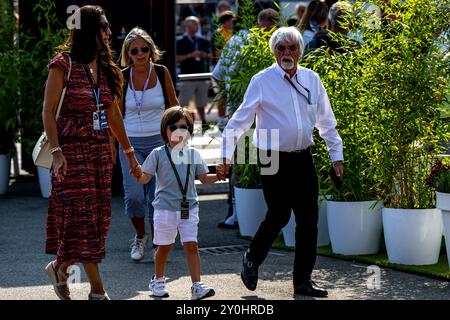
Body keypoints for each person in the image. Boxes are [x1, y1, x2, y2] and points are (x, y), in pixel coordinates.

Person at [218, 27, 344, 297]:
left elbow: (327, 122)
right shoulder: (261, 80)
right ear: (274, 51)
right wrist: (225, 156)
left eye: (292, 48)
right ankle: (252, 257)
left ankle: (302, 282)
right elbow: (240, 120)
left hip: (302, 156)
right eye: (281, 48)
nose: (287, 53)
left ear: (300, 50)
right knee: (278, 215)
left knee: (309, 220)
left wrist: (337, 156)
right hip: (271, 155)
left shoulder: (312, 79)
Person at [42, 5, 142, 300]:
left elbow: (113, 115)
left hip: (99, 154)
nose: (110, 33)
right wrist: (57, 152)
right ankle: (98, 291)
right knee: (82, 221)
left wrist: (128, 151)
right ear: (88, 31)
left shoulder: (107, 68)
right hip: (71, 155)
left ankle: (60, 267)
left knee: (96, 223)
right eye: (104, 27)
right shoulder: (63, 65)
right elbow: (48, 112)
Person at [134, 106, 223, 300]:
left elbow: (204, 178)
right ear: (164, 130)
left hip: (189, 207)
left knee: (191, 245)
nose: (178, 131)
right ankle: (158, 280)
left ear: (189, 131)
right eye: (172, 127)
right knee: (164, 247)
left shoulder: (194, 154)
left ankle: (197, 285)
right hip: (164, 209)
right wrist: (137, 171)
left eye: (183, 127)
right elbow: (144, 179)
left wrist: (218, 176)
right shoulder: (157, 153)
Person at [116, 27, 179, 262]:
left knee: (156, 196)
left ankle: (156, 243)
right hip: (130, 144)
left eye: (144, 49)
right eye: (134, 50)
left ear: (151, 50)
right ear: (128, 53)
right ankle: (140, 236)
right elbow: (116, 114)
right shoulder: (121, 76)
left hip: (159, 143)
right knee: (134, 196)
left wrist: (179, 140)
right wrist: (115, 146)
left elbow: (174, 106)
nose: (140, 54)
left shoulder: (162, 72)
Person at [212, 8, 279, 229]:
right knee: (244, 162)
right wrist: (226, 107)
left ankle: (241, 213)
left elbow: (218, 76)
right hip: (250, 113)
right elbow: (220, 76)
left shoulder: (242, 42)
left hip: (247, 112)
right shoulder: (246, 43)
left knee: (249, 162)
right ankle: (237, 212)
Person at [176, 16, 211, 124]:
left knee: (201, 103)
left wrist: (204, 54)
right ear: (186, 25)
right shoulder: (180, 41)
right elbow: (177, 58)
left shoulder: (202, 40)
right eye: (194, 23)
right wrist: (190, 55)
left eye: (197, 24)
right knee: (182, 103)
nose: (197, 26)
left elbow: (209, 54)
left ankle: (204, 123)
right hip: (186, 76)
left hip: (201, 75)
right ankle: (178, 122)